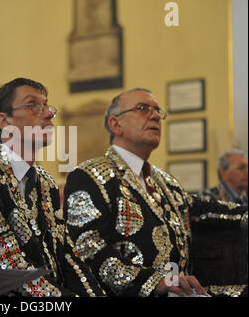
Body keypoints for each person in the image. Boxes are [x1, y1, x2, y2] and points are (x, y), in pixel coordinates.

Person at [63, 88, 248, 297]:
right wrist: (154, 282)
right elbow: (88, 249)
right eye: (143, 108)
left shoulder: (166, 181)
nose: (154, 116)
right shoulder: (90, 175)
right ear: (116, 124)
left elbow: (203, 210)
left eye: (158, 111)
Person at [0, 78, 106, 297]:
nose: (49, 114)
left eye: (47, 106)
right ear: (3, 121)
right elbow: (6, 263)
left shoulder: (45, 182)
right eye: (33, 106)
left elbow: (67, 256)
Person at [190, 149, 248, 286]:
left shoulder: (245, 200)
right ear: (223, 172)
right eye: (241, 168)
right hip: (220, 276)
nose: (247, 171)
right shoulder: (208, 200)